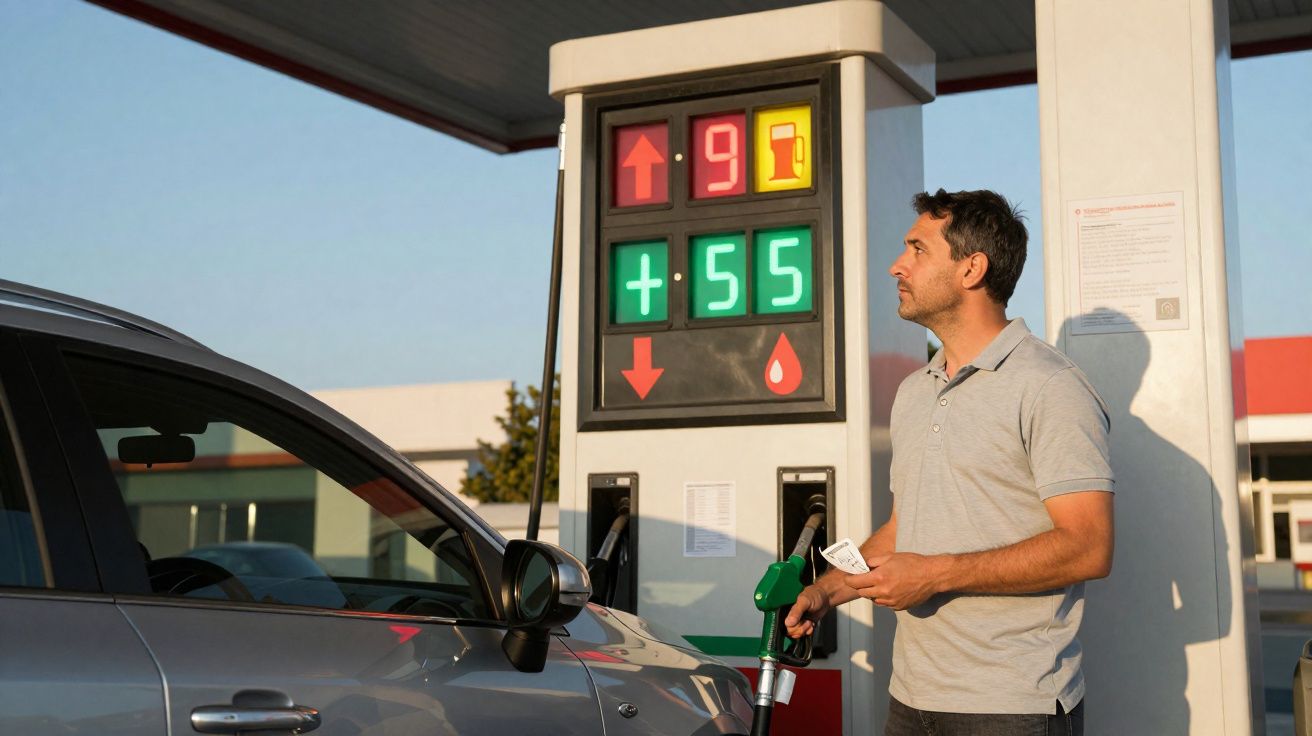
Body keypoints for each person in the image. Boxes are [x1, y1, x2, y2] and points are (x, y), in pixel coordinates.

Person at [786, 189, 1114, 735]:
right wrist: (827, 590)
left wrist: (934, 575)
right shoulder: (916, 390)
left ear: (971, 268)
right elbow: (904, 526)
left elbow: (1089, 545)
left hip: (1012, 705)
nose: (898, 265)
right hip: (910, 698)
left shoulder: (1050, 386)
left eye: (917, 249)